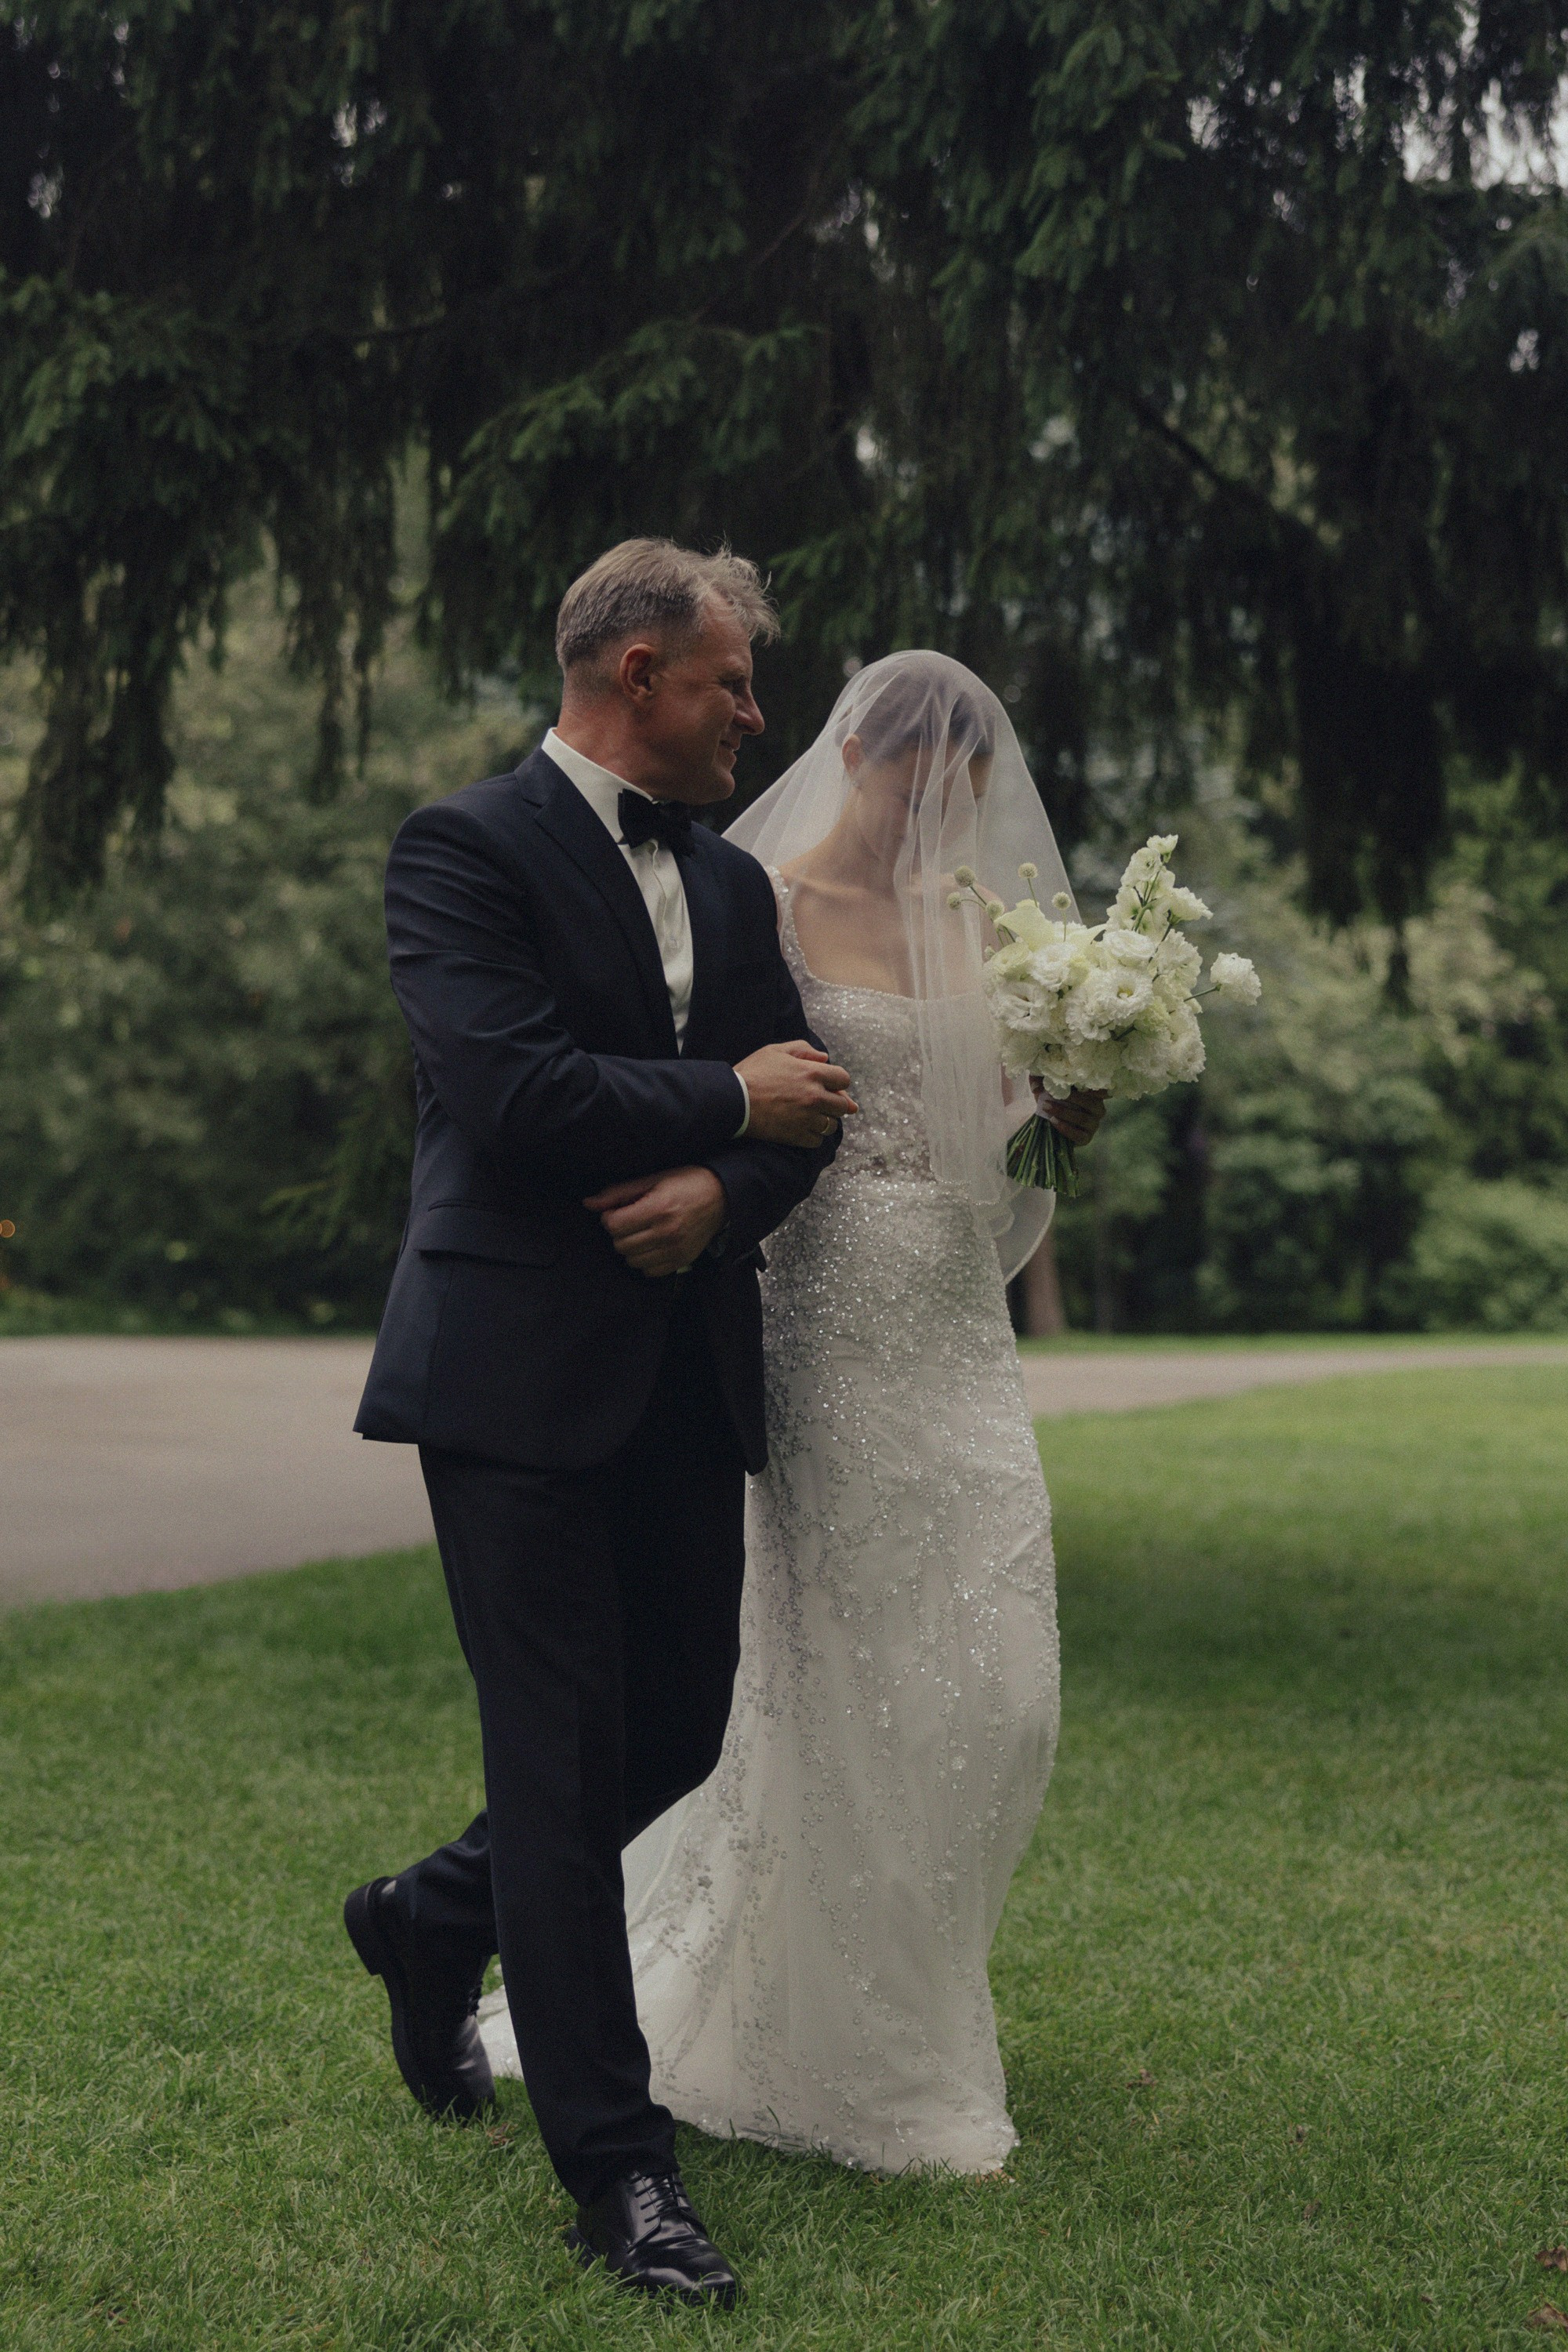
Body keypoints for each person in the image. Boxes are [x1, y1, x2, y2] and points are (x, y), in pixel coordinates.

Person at [480, 651, 1103, 2175]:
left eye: (958, 798)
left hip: (954, 1323)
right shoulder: (755, 898)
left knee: (1001, 1685)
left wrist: (1062, 1105)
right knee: (841, 1668)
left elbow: (991, 1124)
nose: (932, 821)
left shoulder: (985, 927)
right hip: (820, 1315)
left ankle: (910, 1986)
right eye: (916, 789)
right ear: (859, 758)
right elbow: (714, 1083)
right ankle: (846, 2040)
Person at [345, 539, 857, 2310]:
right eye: (731, 683)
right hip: (508, 1373)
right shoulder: (461, 849)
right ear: (638, 673)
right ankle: (621, 2178)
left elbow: (812, 1119)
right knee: (559, 1767)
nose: (753, 715)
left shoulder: (730, 884)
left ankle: (428, 1916)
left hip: (683, 1377)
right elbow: (514, 1095)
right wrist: (728, 1101)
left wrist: (722, 1187)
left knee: (677, 1732)